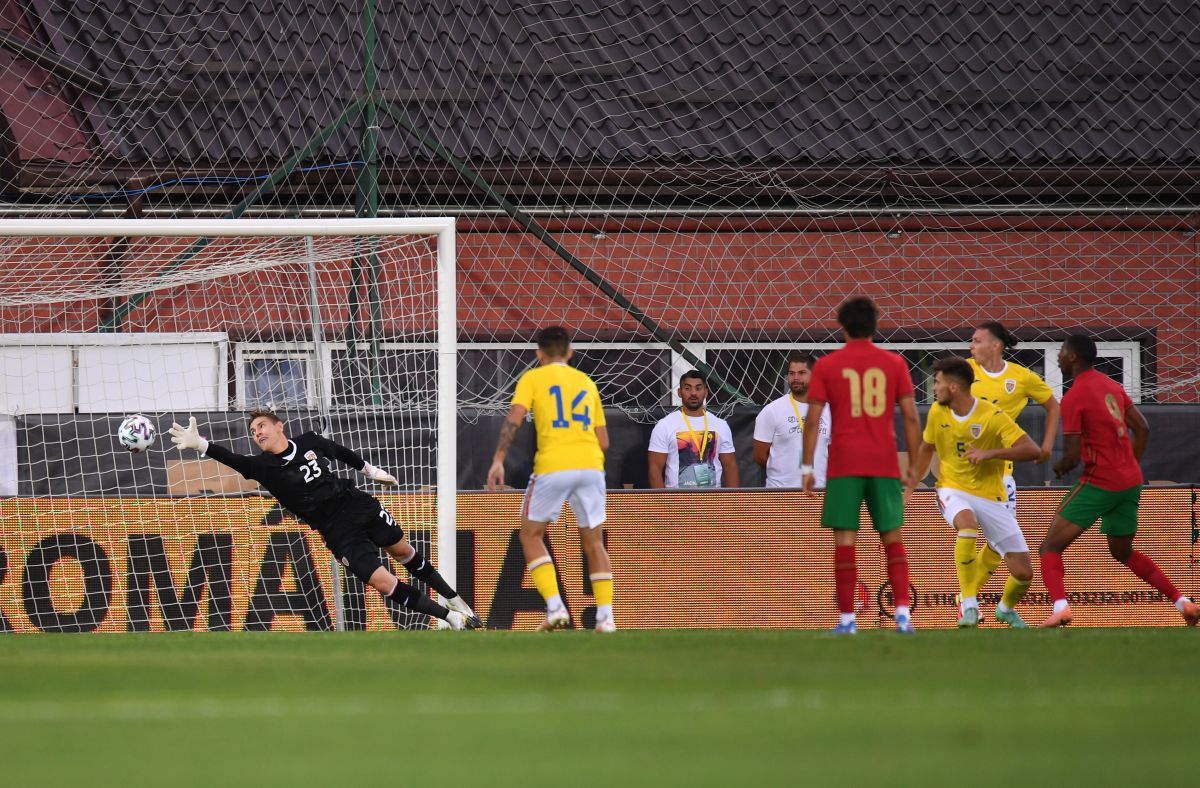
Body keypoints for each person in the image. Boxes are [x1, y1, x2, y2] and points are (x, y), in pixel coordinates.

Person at [168, 410, 482, 630]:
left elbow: (339, 451)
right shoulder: (262, 467)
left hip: (356, 504)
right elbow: (234, 459)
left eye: (262, 426)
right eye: (253, 432)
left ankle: (455, 600)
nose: (257, 433)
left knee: (402, 551)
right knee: (382, 582)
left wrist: (372, 472)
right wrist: (201, 445)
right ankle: (449, 618)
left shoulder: (309, 441)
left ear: (280, 426)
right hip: (336, 530)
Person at [1038, 335, 1198, 627]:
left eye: (1061, 352)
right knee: (1122, 552)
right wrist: (1128, 467)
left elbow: (1072, 455)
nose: (1058, 357)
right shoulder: (1112, 386)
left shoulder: (1075, 396)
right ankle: (1183, 603)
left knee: (1050, 546)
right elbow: (1143, 428)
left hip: (1100, 481)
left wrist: (1056, 464)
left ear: (1073, 357)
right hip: (1130, 481)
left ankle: (1060, 607)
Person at [802, 296, 923, 633]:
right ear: (876, 323)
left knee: (845, 541)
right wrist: (914, 465)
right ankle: (902, 615)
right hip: (884, 461)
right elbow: (911, 417)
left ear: (840, 326)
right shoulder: (895, 363)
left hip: (844, 463)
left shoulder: (826, 366)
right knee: (893, 538)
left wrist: (807, 468)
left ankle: (847, 620)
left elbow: (812, 421)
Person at [486, 326, 616, 632]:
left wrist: (498, 459)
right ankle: (606, 618)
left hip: (554, 464)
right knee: (594, 542)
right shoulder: (586, 381)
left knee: (530, 535)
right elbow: (605, 441)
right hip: (591, 465)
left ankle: (556, 607)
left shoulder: (533, 378)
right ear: (569, 352)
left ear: (539, 354)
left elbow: (514, 420)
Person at [908, 357, 1041, 628]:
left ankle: (1005, 609)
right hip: (952, 488)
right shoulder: (937, 412)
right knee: (966, 525)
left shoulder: (991, 416)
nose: (934, 388)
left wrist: (990, 452)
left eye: (938, 382)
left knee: (1023, 572)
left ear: (954, 387)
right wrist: (909, 486)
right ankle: (968, 603)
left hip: (992, 495)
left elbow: (1032, 450)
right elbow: (926, 448)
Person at [956, 320, 1061, 608]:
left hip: (1001, 473)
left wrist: (1048, 445)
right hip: (964, 472)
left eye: (977, 340)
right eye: (972, 341)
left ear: (996, 345)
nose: (971, 346)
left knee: (996, 543)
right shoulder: (963, 372)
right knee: (967, 528)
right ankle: (967, 601)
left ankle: (966, 598)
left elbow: (1053, 406)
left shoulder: (1021, 377)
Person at [752, 351, 831, 488]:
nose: (795, 378)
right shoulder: (772, 411)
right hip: (780, 492)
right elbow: (759, 455)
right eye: (791, 373)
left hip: (818, 490)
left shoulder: (829, 411)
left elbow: (833, 453)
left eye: (801, 373)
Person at [648, 370, 739, 489]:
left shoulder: (721, 425)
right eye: (687, 388)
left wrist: (733, 505)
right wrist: (664, 505)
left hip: (713, 502)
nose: (693, 393)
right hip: (678, 502)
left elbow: (730, 467)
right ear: (679, 392)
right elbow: (654, 469)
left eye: (698, 388)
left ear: (706, 392)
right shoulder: (664, 425)